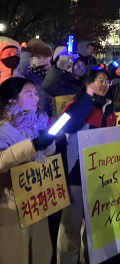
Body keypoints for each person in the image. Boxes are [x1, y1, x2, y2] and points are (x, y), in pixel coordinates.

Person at [57, 68, 116, 264]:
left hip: (99, 174)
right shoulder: (76, 105)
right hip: (75, 174)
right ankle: (67, 260)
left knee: (95, 223)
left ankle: (91, 258)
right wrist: (88, 97)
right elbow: (69, 127)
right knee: (71, 226)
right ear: (88, 82)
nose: (103, 85)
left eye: (107, 82)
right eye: (99, 80)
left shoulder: (109, 108)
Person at [0, 77, 56, 264]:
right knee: (16, 252)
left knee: (41, 249)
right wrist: (32, 145)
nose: (36, 98)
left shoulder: (37, 121)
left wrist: (46, 142)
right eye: (28, 93)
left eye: (35, 92)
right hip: (11, 203)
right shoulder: (3, 128)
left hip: (37, 197)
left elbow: (47, 154)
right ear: (12, 100)